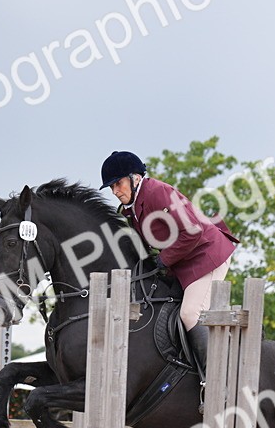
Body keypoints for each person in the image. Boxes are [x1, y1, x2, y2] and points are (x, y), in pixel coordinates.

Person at [100, 150, 238, 374]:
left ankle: (217, 377)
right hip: (185, 261)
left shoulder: (158, 192)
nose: (115, 191)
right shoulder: (132, 208)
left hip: (207, 254)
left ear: (135, 178)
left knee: (190, 313)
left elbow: (192, 232)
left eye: (118, 184)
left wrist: (164, 259)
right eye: (112, 187)